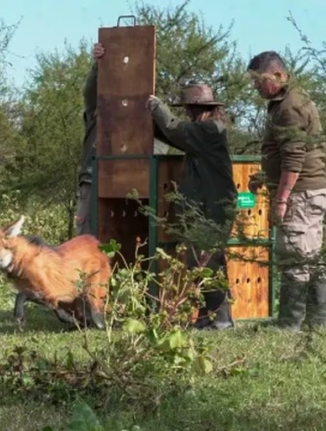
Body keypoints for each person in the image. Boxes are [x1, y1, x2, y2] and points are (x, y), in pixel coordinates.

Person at [246, 50, 326, 331]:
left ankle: (290, 323)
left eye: (260, 80)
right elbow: (288, 154)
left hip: (301, 193)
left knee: (294, 252)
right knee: (310, 254)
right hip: (309, 187)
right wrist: (266, 175)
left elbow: (294, 158)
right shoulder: (286, 100)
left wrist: (281, 199)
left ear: (280, 76)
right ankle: (315, 321)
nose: (256, 86)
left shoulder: (288, 106)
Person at [146, 82, 238, 330]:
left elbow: (177, 131)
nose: (187, 112)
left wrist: (158, 107)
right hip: (209, 205)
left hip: (214, 207)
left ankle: (219, 319)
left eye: (189, 109)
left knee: (208, 260)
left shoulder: (210, 130)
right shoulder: (203, 132)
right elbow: (174, 134)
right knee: (204, 260)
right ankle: (210, 317)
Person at [75, 42, 169, 236]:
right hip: (94, 181)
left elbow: (163, 145)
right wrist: (99, 65)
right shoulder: (99, 111)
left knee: (132, 242)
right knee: (87, 242)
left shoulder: (149, 118)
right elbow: (90, 92)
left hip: (135, 186)